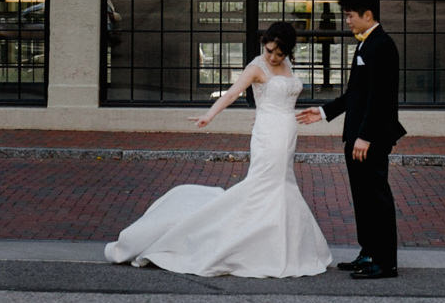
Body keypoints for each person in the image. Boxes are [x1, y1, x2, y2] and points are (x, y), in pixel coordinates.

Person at [104, 21, 332, 277]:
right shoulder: (257, 67)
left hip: (287, 131)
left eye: (279, 53)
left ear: (288, 52)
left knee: (282, 183)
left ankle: (279, 247)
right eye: (269, 50)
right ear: (264, 45)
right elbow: (233, 93)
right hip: (268, 134)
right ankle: (245, 244)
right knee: (265, 184)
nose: (273, 57)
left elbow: (284, 95)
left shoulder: (286, 65)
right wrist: (209, 115)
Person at [297, 0, 407, 280]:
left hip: (369, 138)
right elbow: (355, 95)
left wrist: (366, 136)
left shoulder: (382, 45)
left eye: (350, 15)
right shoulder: (365, 45)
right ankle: (368, 252)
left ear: (367, 15)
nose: (347, 21)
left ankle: (385, 263)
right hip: (357, 135)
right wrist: (322, 112)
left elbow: (380, 97)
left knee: (376, 197)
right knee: (362, 197)